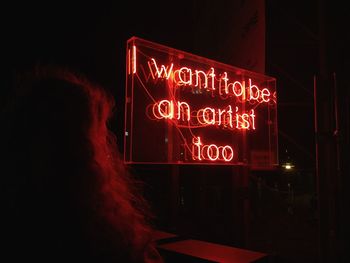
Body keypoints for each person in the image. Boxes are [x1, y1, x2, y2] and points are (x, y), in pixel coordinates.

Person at [1, 66, 163, 263]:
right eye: (100, 135)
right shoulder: (99, 232)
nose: (109, 143)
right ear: (84, 148)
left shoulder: (18, 218)